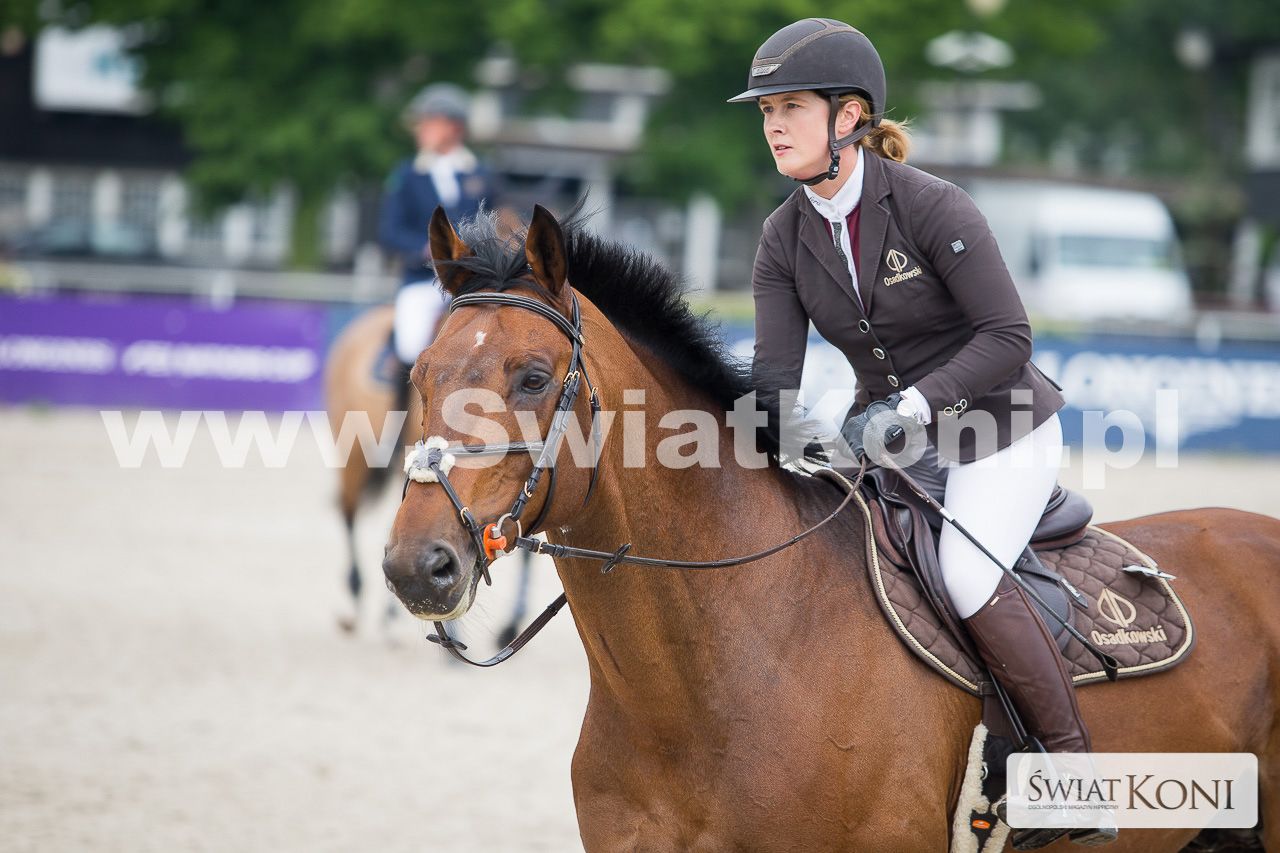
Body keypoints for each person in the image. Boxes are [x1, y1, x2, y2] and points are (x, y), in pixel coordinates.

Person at [730, 19, 1114, 849]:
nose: (774, 127)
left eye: (791, 107)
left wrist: (910, 409)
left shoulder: (932, 204)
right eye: (766, 112)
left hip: (999, 425)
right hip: (889, 441)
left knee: (967, 575)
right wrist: (772, 434)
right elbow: (773, 375)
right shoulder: (782, 237)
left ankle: (1071, 776)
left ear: (848, 117)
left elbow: (1008, 334)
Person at [378, 83, 497, 390]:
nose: (420, 129)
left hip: (474, 279)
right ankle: (401, 412)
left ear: (455, 127)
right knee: (411, 342)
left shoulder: (482, 175)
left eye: (429, 122)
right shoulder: (407, 175)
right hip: (424, 280)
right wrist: (424, 250)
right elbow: (390, 231)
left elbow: (495, 222)